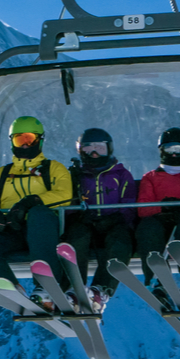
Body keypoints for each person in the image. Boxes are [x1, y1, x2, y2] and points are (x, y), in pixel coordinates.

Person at [0, 116, 73, 311]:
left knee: (39, 214)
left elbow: (65, 195)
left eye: (29, 139)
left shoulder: (53, 169)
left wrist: (33, 202)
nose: (25, 145)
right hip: (11, 232)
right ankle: (8, 286)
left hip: (43, 232)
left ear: (40, 140)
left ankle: (46, 288)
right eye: (19, 140)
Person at [61, 128, 137, 312]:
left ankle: (101, 289)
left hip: (113, 223)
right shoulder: (76, 176)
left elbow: (129, 202)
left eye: (99, 148)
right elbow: (66, 202)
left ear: (108, 149)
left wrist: (120, 218)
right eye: (88, 149)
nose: (94, 153)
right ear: (80, 151)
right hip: (87, 223)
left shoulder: (120, 174)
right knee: (76, 237)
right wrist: (77, 215)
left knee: (121, 241)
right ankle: (74, 288)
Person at [135, 127, 180, 310]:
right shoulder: (151, 177)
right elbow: (143, 208)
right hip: (160, 219)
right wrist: (164, 207)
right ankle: (158, 281)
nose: (174, 155)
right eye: (169, 149)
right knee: (148, 229)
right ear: (161, 150)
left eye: (179, 150)